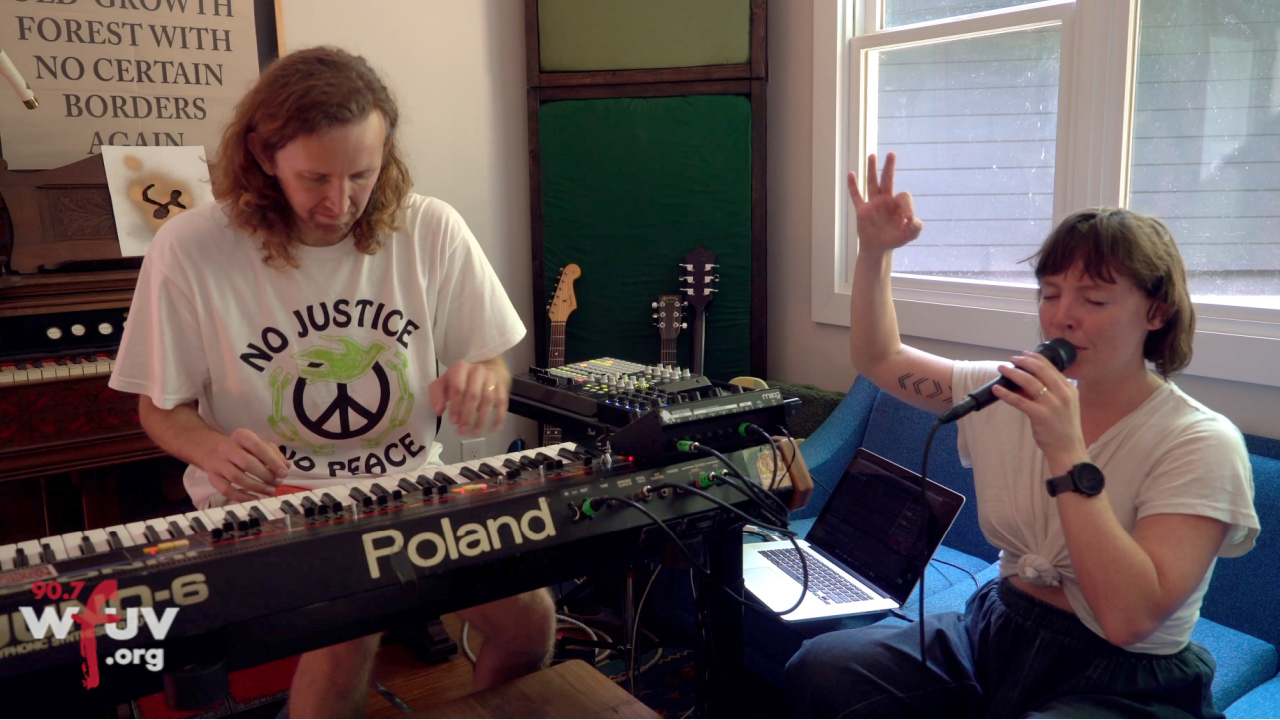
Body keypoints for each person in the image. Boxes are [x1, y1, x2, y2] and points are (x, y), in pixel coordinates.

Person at [109, 46, 555, 717]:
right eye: (315, 177)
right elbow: (160, 408)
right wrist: (212, 450)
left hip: (407, 486)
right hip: (271, 498)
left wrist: (481, 378)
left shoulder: (430, 228)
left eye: (361, 175)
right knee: (352, 624)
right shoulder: (192, 247)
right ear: (264, 157)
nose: (339, 202)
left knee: (530, 626)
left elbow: (489, 358)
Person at [785, 154, 1260, 718]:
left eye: (1094, 299)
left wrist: (1066, 452)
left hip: (1125, 674)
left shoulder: (1201, 443)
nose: (1062, 317)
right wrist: (875, 252)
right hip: (997, 628)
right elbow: (880, 358)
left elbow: (1128, 619)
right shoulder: (1006, 390)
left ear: (1157, 312)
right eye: (1050, 293)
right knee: (823, 667)